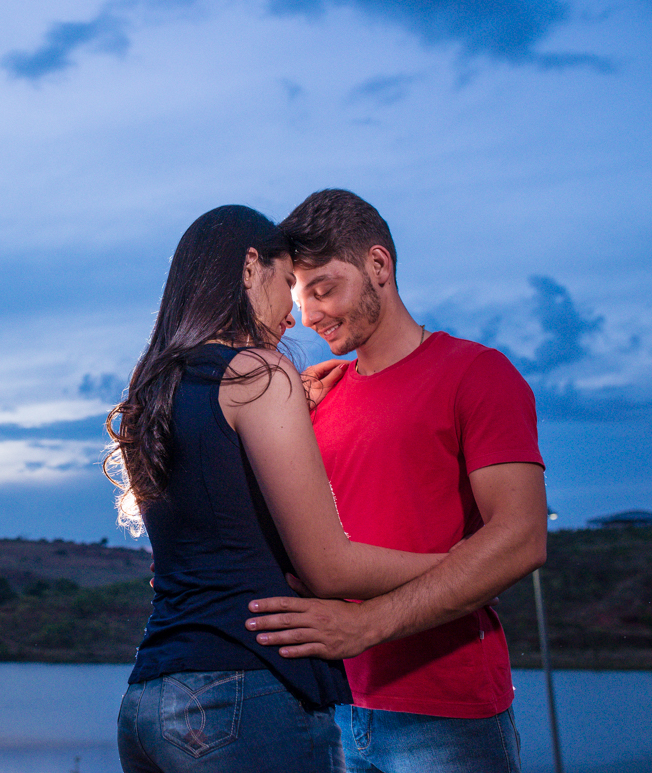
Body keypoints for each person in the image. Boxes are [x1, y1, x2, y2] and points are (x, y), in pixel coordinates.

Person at [109, 205, 445, 773]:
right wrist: (457, 566)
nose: (294, 315)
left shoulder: (153, 394)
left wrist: (290, 414)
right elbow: (328, 569)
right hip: (244, 694)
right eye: (288, 284)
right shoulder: (259, 374)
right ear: (249, 267)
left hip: (149, 704)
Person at [246, 189, 548, 773]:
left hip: (447, 714)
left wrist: (364, 624)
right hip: (330, 707)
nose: (308, 315)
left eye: (324, 288)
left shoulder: (477, 373)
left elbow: (522, 538)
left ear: (378, 266)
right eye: (298, 296)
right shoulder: (314, 400)